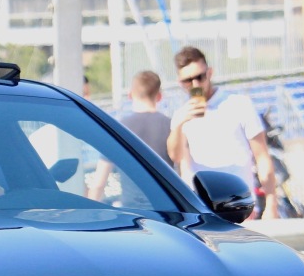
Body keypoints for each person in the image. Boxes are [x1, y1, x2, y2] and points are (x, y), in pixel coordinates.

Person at [166, 46, 280, 218]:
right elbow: (175, 156)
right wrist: (180, 124)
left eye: (200, 77)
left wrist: (271, 203)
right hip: (201, 210)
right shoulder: (181, 115)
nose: (196, 84)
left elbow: (262, 156)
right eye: (188, 81)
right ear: (180, 83)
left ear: (209, 73)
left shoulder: (239, 104)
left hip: (239, 206)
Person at [86, 70, 173, 202]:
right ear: (159, 96)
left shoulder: (118, 129)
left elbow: (99, 183)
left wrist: (89, 214)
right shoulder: (171, 126)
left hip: (133, 212)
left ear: (130, 95)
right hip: (168, 211)